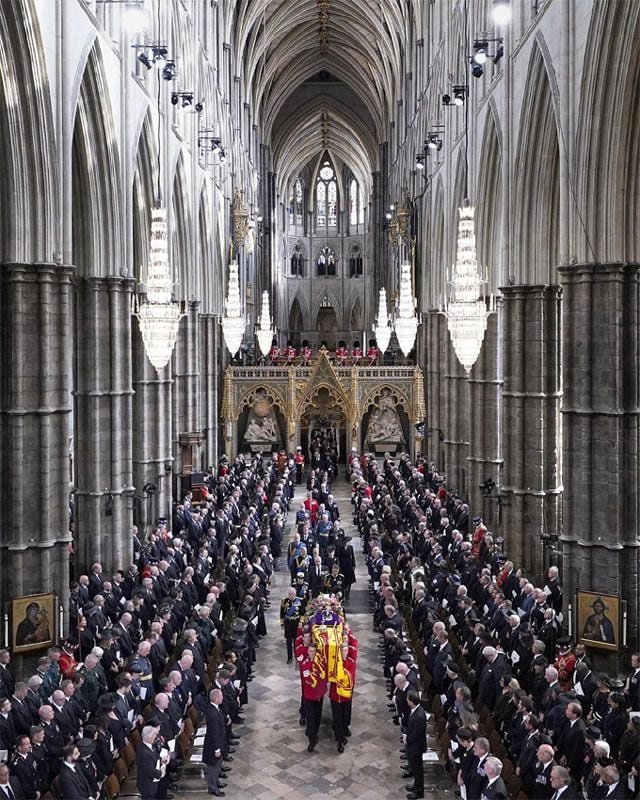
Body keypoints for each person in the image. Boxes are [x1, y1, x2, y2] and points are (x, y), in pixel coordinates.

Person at [202, 689, 226, 797]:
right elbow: (213, 732)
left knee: (217, 764)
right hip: (213, 745)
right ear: (216, 698)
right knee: (213, 767)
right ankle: (212, 787)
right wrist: (216, 749)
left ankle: (216, 782)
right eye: (221, 697)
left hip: (219, 741)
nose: (222, 698)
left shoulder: (214, 708)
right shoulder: (212, 713)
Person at [403, 692, 426, 799]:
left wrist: (407, 739)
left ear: (412, 701)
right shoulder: (416, 711)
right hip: (413, 746)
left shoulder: (419, 716)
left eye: (408, 699)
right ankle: (416, 786)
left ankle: (419, 792)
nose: (406, 701)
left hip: (416, 747)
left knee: (417, 770)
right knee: (415, 768)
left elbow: (417, 733)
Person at [136, 725, 167, 800]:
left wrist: (161, 760)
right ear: (147, 737)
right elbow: (151, 772)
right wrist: (161, 773)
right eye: (153, 735)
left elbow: (155, 757)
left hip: (152, 784)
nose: (155, 737)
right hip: (147, 787)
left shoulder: (150, 746)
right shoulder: (143, 752)